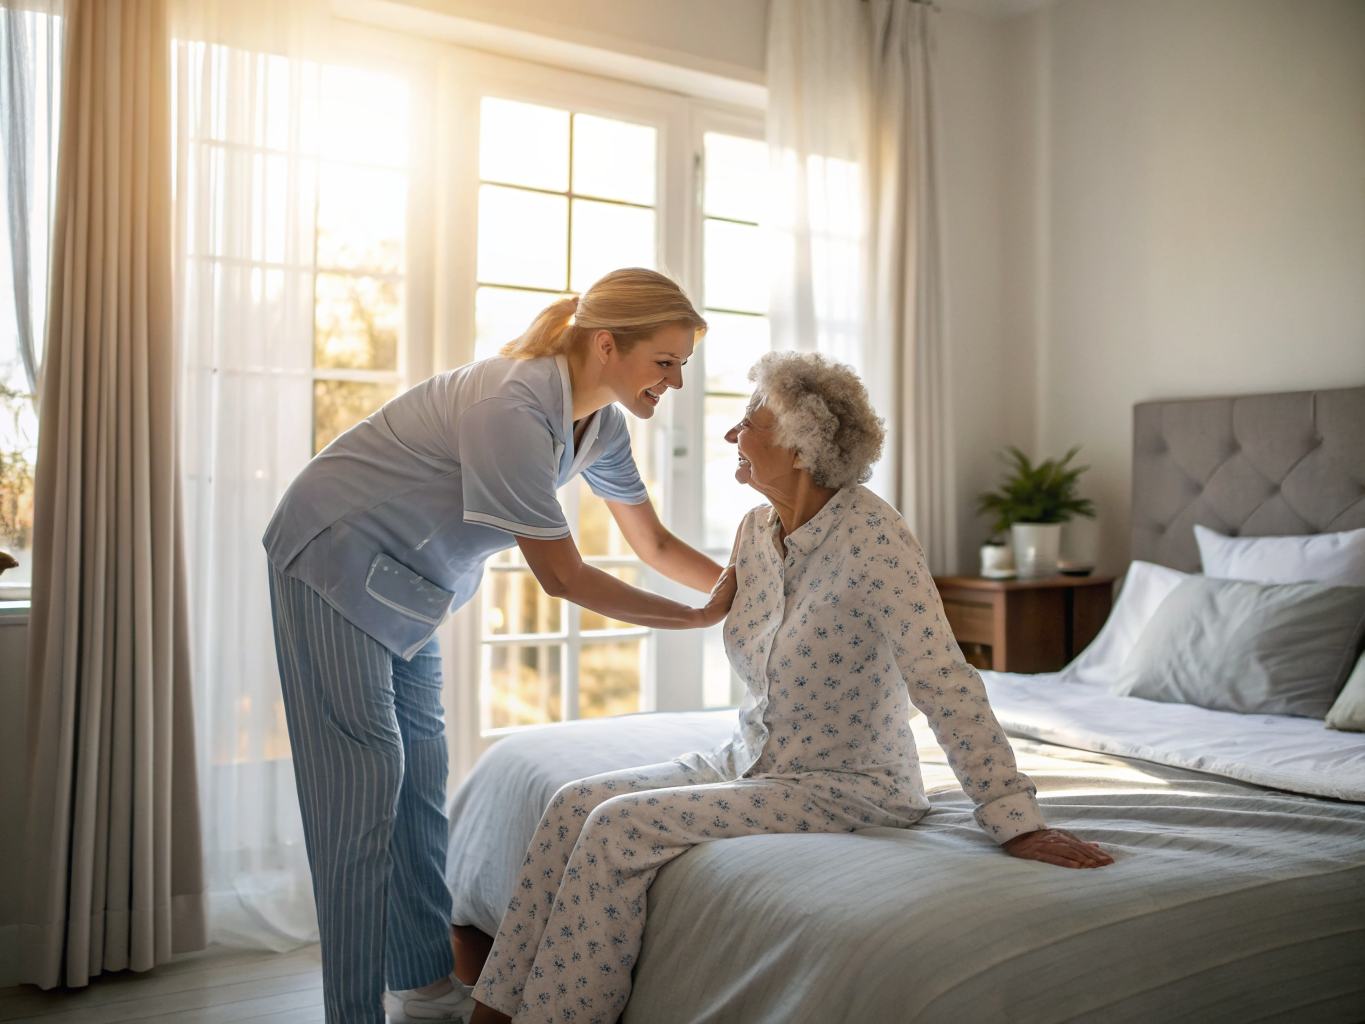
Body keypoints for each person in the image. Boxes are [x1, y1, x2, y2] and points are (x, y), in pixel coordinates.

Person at [470, 351, 1112, 1024]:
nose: (730, 436)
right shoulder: (756, 531)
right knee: (574, 802)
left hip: (846, 784)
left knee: (616, 826)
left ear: (803, 446)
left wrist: (1012, 819)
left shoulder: (876, 539)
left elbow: (942, 679)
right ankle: (487, 1015)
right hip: (752, 759)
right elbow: (728, 611)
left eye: (749, 421)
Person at [263, 269, 738, 1024]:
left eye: (683, 364)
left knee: (420, 780)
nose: (676, 381)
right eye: (666, 361)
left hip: (412, 586)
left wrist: (754, 585)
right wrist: (690, 620)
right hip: (332, 558)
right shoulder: (508, 405)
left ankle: (421, 985)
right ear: (607, 345)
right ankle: (349, 1013)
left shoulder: (601, 424)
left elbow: (651, 542)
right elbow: (562, 575)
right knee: (360, 795)